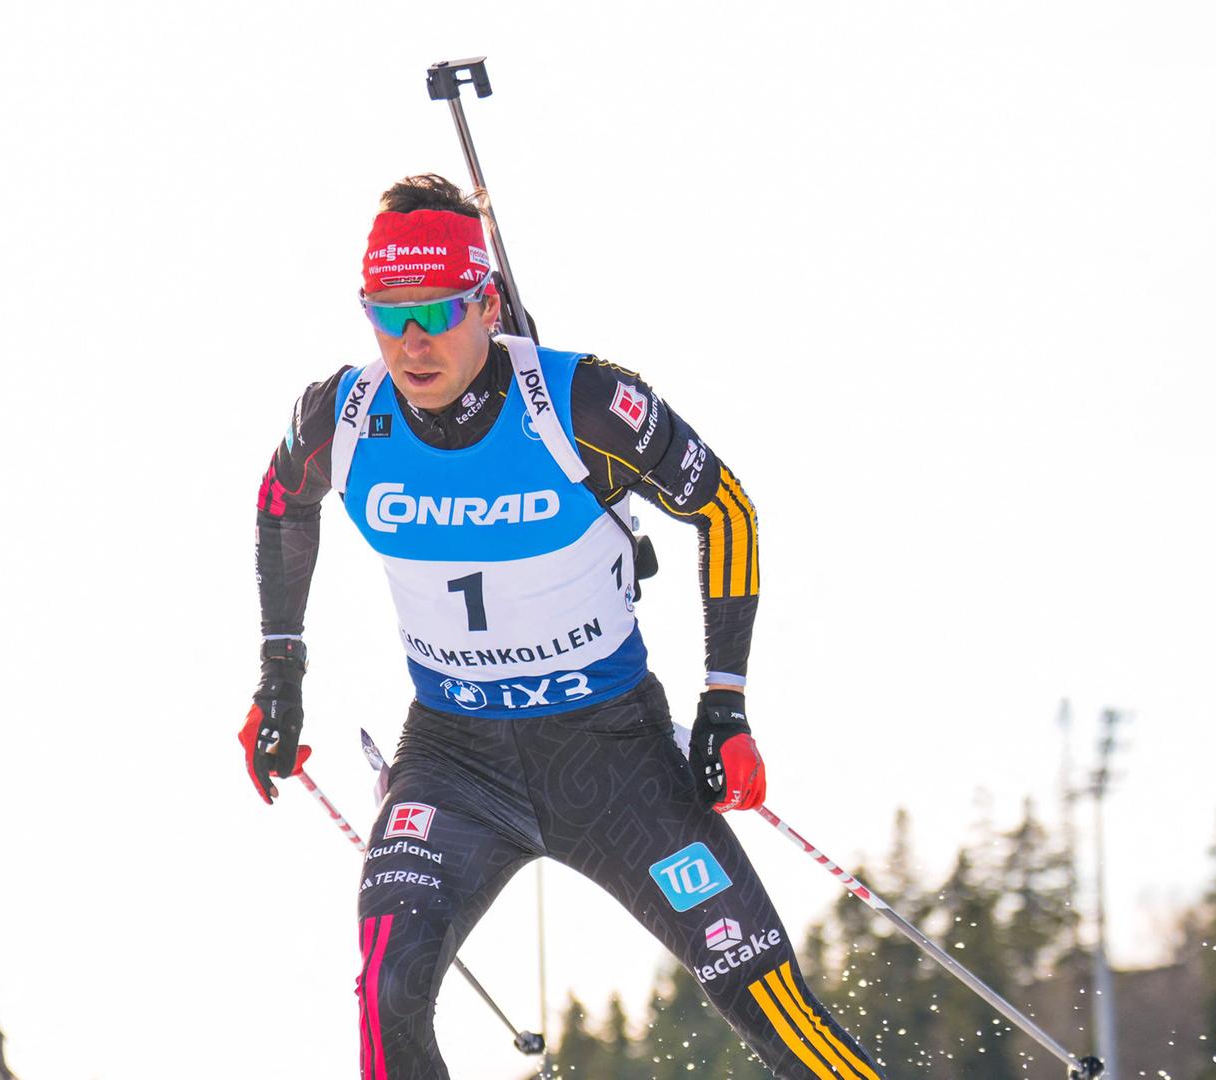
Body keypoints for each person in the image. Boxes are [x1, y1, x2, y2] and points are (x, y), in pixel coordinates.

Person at [242, 174, 883, 1080]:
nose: (412, 342)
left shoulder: (578, 405)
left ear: (487, 301)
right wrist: (281, 680)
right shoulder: (343, 417)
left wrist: (726, 704)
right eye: (387, 314)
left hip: (609, 757)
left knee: (766, 999)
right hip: (452, 760)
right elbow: (280, 502)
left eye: (435, 310)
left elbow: (726, 509)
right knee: (389, 994)